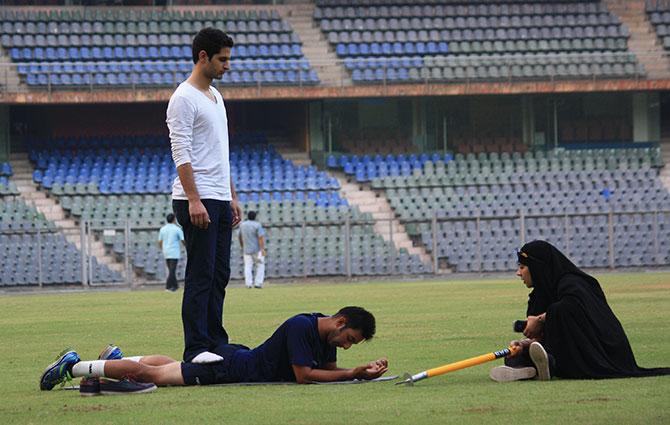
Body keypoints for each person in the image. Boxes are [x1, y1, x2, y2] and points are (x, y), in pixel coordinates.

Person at [39, 306, 389, 394]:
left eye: (352, 346)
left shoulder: (323, 337)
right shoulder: (302, 326)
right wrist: (354, 374)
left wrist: (361, 372)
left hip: (236, 358)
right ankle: (73, 367)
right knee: (155, 377)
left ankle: (117, 359)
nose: (347, 346)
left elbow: (326, 370)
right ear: (341, 322)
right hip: (230, 368)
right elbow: (304, 376)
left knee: (172, 365)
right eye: (350, 339)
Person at [490, 240, 670, 382]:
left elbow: (572, 310)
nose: (518, 273)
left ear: (537, 267)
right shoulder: (538, 295)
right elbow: (543, 336)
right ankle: (535, 367)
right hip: (568, 350)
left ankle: (540, 366)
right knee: (515, 355)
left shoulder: (573, 283)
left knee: (561, 309)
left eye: (522, 267)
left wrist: (542, 319)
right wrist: (525, 344)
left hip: (601, 351)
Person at [166, 28, 242, 364]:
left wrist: (233, 196)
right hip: (196, 199)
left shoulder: (216, 97)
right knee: (201, 273)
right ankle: (196, 348)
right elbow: (180, 152)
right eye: (222, 59)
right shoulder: (184, 98)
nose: (227, 66)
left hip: (220, 198)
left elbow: (219, 153)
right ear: (203, 58)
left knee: (219, 274)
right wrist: (194, 199)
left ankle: (215, 340)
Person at [238, 211, 266, 289]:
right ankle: (258, 283)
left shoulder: (242, 225)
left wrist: (242, 246)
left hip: (246, 249)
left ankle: (248, 283)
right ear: (255, 217)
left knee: (248, 266)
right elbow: (260, 237)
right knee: (260, 265)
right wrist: (262, 249)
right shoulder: (257, 225)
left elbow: (239, 237)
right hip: (257, 249)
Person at [158, 213, 185, 292]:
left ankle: (175, 286)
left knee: (171, 269)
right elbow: (182, 239)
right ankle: (169, 286)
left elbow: (160, 241)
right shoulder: (177, 229)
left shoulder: (163, 229)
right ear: (174, 219)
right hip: (174, 252)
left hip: (166, 251)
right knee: (172, 270)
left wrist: (162, 248)